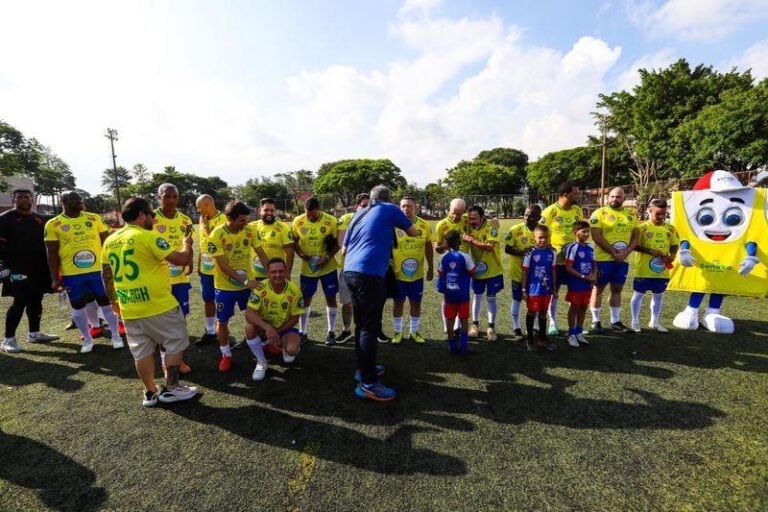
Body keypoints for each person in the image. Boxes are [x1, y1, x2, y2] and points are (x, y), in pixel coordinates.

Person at [101, 197, 198, 407]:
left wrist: (113, 300)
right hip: (158, 304)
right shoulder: (148, 236)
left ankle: (150, 392)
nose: (153, 217)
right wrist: (186, 244)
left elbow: (106, 273)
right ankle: (171, 389)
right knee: (176, 341)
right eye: (150, 214)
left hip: (128, 306)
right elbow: (182, 260)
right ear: (141, 215)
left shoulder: (110, 240)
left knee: (142, 351)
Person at [343, 185, 416, 401]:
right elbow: (414, 231)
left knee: (361, 324)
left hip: (350, 272)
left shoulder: (358, 214)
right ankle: (368, 382)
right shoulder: (389, 209)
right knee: (369, 327)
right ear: (388, 199)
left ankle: (363, 368)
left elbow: (345, 248)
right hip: (369, 275)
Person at [44, 191, 124, 353]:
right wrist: (54, 278)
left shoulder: (93, 218)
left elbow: (107, 241)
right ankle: (87, 339)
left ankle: (116, 336)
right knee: (78, 307)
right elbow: (51, 253)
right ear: (63, 202)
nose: (80, 200)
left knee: (106, 303)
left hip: (98, 271)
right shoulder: (53, 224)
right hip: (72, 274)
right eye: (75, 198)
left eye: (80, 198)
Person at [208, 200, 268, 372]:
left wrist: (272, 273)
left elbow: (261, 254)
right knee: (223, 321)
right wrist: (245, 281)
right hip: (225, 287)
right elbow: (223, 266)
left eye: (246, 219)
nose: (246, 223)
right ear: (229, 218)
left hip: (247, 286)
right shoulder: (216, 235)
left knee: (255, 316)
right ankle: (226, 354)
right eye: (241, 220)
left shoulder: (250, 231)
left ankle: (263, 343)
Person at [0, 189, 58, 353]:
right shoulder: (5, 220)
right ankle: (8, 339)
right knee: (19, 301)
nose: (24, 200)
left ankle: (34, 333)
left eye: (27, 197)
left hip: (39, 268)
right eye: (20, 197)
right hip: (17, 269)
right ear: (13, 199)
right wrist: (3, 269)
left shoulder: (38, 219)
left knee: (36, 300)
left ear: (32, 199)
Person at [153, 183, 193, 374]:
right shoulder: (150, 219)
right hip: (159, 279)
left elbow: (188, 244)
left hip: (180, 279)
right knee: (163, 321)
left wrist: (190, 261)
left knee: (179, 319)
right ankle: (165, 360)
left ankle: (178, 358)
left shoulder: (185, 220)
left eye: (174, 197)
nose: (170, 200)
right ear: (158, 197)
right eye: (166, 196)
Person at [244, 258, 305, 381]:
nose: (277, 275)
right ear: (268, 273)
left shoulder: (294, 291)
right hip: (265, 328)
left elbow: (295, 318)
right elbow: (249, 313)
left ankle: (284, 347)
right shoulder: (261, 288)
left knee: (292, 351)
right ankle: (262, 362)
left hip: (285, 327)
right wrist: (267, 328)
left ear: (286, 272)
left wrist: (277, 331)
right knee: (249, 327)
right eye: (274, 272)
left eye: (281, 271)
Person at [589, 187, 639, 333]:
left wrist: (626, 253)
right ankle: (595, 321)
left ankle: (615, 321)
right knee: (598, 289)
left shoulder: (631, 216)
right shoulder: (599, 213)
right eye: (612, 196)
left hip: (622, 260)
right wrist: (613, 252)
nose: (614, 199)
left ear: (624, 198)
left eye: (618, 197)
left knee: (617, 290)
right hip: (603, 259)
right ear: (607, 197)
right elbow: (596, 236)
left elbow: (636, 237)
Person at [291, 197, 340, 345]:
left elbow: (337, 243)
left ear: (319, 209)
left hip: (328, 267)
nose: (310, 217)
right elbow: (293, 242)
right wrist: (302, 255)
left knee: (330, 297)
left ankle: (331, 332)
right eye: (307, 214)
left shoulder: (330, 220)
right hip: (308, 269)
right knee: (305, 299)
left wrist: (327, 257)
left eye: (313, 215)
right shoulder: (298, 221)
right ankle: (303, 332)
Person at [629, 198, 679, 333]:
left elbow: (674, 244)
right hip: (643, 269)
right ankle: (635, 321)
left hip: (661, 270)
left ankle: (655, 321)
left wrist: (672, 256)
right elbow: (634, 246)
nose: (661, 216)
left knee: (658, 296)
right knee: (638, 295)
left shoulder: (670, 228)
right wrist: (650, 251)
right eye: (658, 214)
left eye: (664, 214)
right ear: (649, 211)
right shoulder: (641, 228)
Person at [540, 182, 583, 336]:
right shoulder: (549, 211)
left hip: (575, 260)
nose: (578, 196)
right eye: (575, 193)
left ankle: (575, 326)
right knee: (554, 292)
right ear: (566, 194)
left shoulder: (578, 211)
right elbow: (540, 233)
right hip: (556, 261)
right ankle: (553, 322)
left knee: (576, 291)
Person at [391, 196, 433, 344]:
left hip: (417, 274)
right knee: (398, 302)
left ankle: (414, 332)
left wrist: (431, 267)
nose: (405, 209)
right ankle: (398, 332)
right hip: (397, 274)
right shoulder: (394, 225)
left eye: (409, 206)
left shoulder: (424, 225)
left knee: (416, 302)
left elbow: (428, 247)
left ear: (416, 207)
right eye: (403, 206)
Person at [464, 206, 503, 341]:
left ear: (482, 218)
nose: (472, 221)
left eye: (474, 218)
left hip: (493, 270)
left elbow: (490, 247)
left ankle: (491, 328)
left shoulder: (492, 226)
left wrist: (471, 240)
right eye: (470, 218)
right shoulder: (467, 225)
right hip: (477, 270)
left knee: (491, 298)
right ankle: (475, 326)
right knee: (477, 296)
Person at [335, 193, 369, 345]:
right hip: (348, 268)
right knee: (347, 302)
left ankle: (364, 330)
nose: (366, 209)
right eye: (363, 206)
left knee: (366, 302)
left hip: (368, 269)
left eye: (369, 206)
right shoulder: (347, 218)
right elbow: (342, 244)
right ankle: (346, 330)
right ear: (356, 206)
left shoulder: (374, 220)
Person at [504, 204, 541, 339]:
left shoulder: (541, 232)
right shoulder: (515, 229)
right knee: (517, 299)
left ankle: (536, 326)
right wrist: (522, 252)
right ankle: (516, 327)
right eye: (525, 215)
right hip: (517, 273)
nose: (527, 218)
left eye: (531, 216)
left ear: (538, 218)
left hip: (535, 275)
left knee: (534, 300)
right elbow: (507, 249)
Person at [195, 194, 228, 345]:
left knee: (221, 300)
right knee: (207, 298)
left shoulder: (223, 220)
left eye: (199, 207)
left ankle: (222, 330)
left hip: (220, 269)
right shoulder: (203, 219)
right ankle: (210, 331)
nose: (198, 211)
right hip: (206, 267)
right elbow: (202, 245)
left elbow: (216, 243)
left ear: (208, 205)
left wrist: (205, 227)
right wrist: (199, 264)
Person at [436, 230, 476, 355]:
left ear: (447, 244)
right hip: (463, 294)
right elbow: (473, 271)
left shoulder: (443, 258)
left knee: (450, 319)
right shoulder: (465, 257)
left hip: (449, 294)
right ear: (459, 241)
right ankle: (464, 347)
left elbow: (440, 273)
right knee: (464, 319)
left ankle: (452, 346)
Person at [433, 198, 469, 334]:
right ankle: (446, 325)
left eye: (459, 214)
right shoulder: (441, 224)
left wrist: (493, 221)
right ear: (449, 209)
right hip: (448, 266)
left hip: (464, 266)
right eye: (454, 212)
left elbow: (480, 220)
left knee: (462, 295)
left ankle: (457, 326)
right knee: (448, 296)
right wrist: (449, 245)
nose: (456, 216)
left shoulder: (466, 220)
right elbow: (437, 248)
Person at [521, 225, 558, 352]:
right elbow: (525, 272)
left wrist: (554, 288)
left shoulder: (552, 252)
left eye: (546, 237)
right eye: (540, 237)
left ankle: (542, 339)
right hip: (533, 290)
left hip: (546, 289)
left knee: (543, 313)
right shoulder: (529, 253)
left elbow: (553, 271)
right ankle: (530, 338)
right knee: (532, 312)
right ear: (534, 237)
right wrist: (523, 290)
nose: (543, 240)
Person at [563, 221, 597, 347]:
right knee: (574, 307)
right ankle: (571, 334)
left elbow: (594, 264)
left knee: (583, 307)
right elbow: (568, 267)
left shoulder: (591, 247)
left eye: (588, 231)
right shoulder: (572, 248)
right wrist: (583, 277)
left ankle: (579, 331)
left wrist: (594, 275)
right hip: (576, 283)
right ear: (575, 232)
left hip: (588, 284)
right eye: (583, 231)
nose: (587, 234)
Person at [248, 198, 294, 281]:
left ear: (275, 211)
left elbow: (290, 253)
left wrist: (287, 273)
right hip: (255, 275)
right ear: (259, 210)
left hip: (277, 275)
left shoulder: (283, 228)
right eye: (266, 210)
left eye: (272, 210)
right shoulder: (251, 227)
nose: (269, 213)